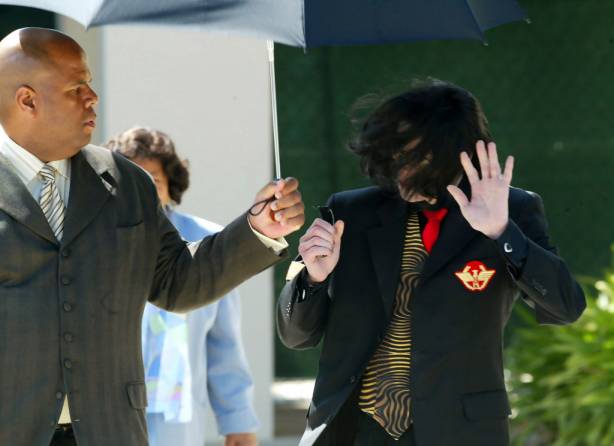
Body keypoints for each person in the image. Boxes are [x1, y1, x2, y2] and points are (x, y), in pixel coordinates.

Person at [0, 27, 304, 446]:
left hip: (111, 431)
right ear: (27, 100)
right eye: (76, 88)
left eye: (91, 83)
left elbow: (179, 282)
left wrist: (257, 230)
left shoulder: (128, 183)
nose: (92, 97)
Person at [277, 80, 586, 446]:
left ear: (459, 155)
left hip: (460, 431)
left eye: (420, 160)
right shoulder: (349, 212)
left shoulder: (511, 210)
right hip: (353, 430)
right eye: (396, 155)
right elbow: (296, 336)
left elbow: (565, 307)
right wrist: (312, 279)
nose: (403, 172)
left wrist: (503, 232)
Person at [106, 127, 259, 446]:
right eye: (131, 182)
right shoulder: (96, 245)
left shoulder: (208, 242)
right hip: (109, 413)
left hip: (177, 420)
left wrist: (238, 421)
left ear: (170, 185)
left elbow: (224, 345)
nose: (142, 191)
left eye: (152, 180)